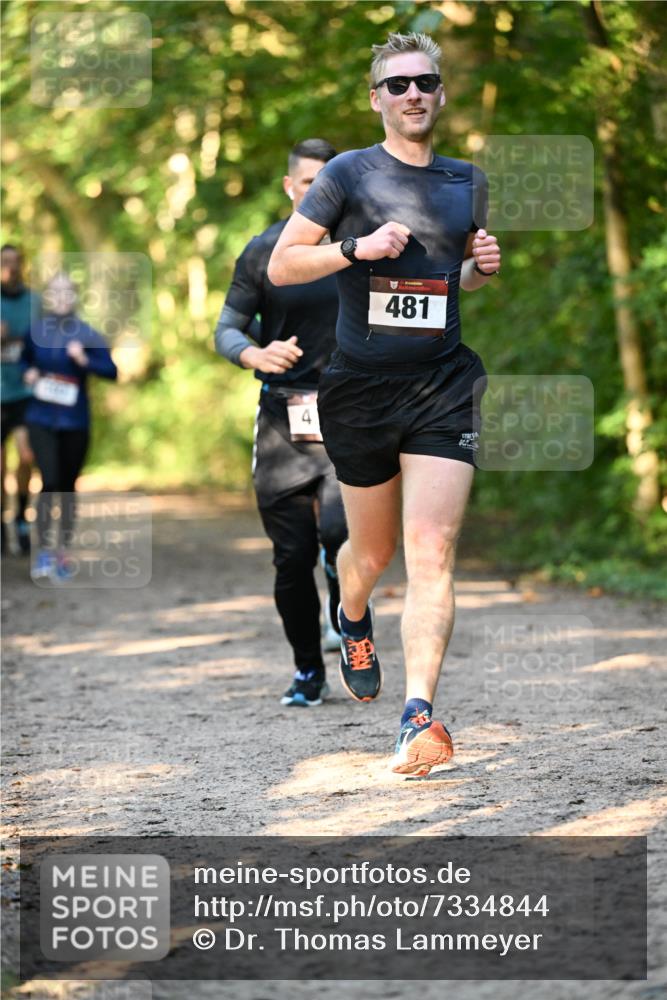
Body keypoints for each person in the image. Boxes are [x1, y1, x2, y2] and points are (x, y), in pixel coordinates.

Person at [268, 33, 501, 775]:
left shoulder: (468, 181)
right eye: (396, 85)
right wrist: (353, 250)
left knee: (431, 549)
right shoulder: (345, 175)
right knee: (368, 556)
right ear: (376, 98)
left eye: (423, 82)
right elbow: (283, 262)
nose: (411, 95)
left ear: (439, 93)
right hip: (361, 392)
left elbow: (445, 282)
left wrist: (475, 269)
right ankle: (353, 610)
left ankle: (417, 718)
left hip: (442, 386)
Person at [215, 139, 348, 708]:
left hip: (351, 414)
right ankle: (306, 671)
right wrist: (253, 355)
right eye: (307, 182)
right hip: (282, 420)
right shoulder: (263, 250)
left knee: (343, 540)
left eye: (328, 182)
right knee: (292, 557)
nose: (316, 192)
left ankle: (351, 631)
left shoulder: (364, 246)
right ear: (289, 186)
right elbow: (227, 328)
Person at [21, 271, 118, 580]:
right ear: (48, 298)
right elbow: (22, 360)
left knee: (67, 487)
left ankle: (62, 553)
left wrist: (84, 360)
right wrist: (29, 373)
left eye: (67, 291)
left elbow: (112, 371)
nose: (62, 297)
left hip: (75, 421)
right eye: (55, 292)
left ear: (75, 296)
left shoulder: (87, 333)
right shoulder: (34, 331)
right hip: (41, 418)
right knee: (49, 481)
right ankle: (44, 554)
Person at [1, 245, 39, 555]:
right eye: (4, 263)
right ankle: (2, 526)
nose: (11, 268)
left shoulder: (34, 303)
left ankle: (22, 517)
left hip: (26, 394)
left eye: (15, 262)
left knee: (27, 457)